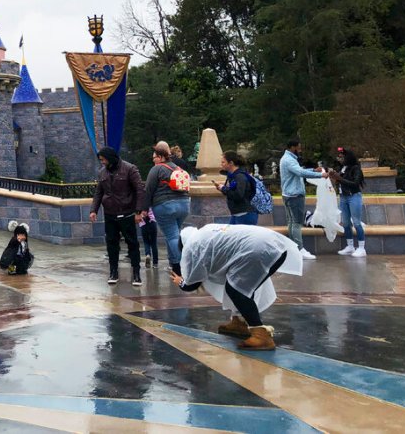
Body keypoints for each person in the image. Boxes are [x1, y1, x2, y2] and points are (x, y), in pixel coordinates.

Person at [171, 225, 302, 350]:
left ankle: (261, 335)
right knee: (236, 284)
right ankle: (239, 322)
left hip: (260, 250)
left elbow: (193, 282)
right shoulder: (206, 232)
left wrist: (181, 282)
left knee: (237, 290)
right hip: (272, 246)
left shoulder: (193, 246)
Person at [89, 146, 145, 286]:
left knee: (132, 243)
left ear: (110, 158)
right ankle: (113, 272)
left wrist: (139, 211)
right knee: (111, 244)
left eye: (103, 159)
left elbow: (139, 190)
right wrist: (93, 210)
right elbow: (99, 193)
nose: (101, 162)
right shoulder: (102, 173)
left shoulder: (129, 169)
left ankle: (136, 273)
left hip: (127, 212)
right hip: (110, 213)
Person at [143, 141, 190, 276]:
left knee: (172, 236)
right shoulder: (177, 168)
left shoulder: (157, 169)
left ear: (160, 156)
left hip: (165, 206)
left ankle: (180, 267)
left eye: (154, 157)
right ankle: (173, 264)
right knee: (174, 234)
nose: (153, 160)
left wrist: (144, 209)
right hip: (184, 205)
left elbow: (148, 190)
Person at [279, 139, 326, 260]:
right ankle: (299, 250)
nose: (300, 150)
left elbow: (298, 170)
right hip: (294, 196)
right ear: (292, 147)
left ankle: (293, 248)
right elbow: (300, 172)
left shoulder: (288, 158)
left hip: (289, 195)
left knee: (291, 222)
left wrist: (313, 170)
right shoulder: (289, 160)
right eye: (298, 148)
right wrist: (320, 175)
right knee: (296, 223)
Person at [329, 147, 366, 258]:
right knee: (345, 222)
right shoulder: (343, 168)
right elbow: (339, 180)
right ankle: (350, 246)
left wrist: (339, 178)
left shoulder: (356, 169)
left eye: (342, 156)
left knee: (357, 222)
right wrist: (334, 176)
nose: (340, 158)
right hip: (343, 197)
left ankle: (361, 248)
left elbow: (355, 184)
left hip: (353, 196)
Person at [213, 151, 258, 225]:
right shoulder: (234, 176)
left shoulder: (240, 176)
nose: (221, 164)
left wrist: (223, 188)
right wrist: (223, 188)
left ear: (231, 163)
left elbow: (238, 195)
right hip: (238, 213)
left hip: (245, 214)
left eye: (223, 162)